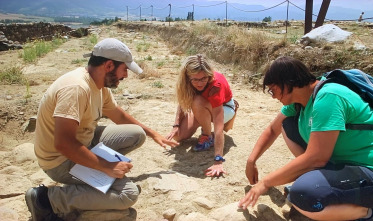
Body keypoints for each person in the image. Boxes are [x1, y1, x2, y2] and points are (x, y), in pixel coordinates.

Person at [25, 38, 179, 220]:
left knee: (136, 134)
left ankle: (94, 181)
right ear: (108, 66)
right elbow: (64, 144)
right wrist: (108, 166)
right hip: (60, 160)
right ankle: (46, 200)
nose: (125, 76)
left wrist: (153, 134)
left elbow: (119, 116)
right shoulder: (76, 88)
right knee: (127, 196)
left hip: (82, 141)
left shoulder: (98, 85)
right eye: (124, 69)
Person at [238, 56, 373, 220]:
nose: (273, 96)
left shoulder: (328, 96)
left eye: (273, 89)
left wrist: (266, 182)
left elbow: (316, 158)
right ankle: (320, 181)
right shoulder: (300, 101)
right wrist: (251, 160)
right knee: (287, 124)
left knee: (303, 195)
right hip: (350, 166)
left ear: (288, 82)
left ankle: (369, 213)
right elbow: (272, 129)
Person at [166, 54, 236, 177]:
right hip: (203, 106)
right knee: (179, 136)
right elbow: (183, 102)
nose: (199, 83)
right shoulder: (187, 83)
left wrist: (218, 159)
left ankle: (207, 136)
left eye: (204, 78)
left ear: (209, 75)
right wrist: (176, 125)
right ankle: (203, 120)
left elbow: (219, 126)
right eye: (195, 80)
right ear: (188, 77)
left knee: (197, 101)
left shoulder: (215, 86)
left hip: (226, 108)